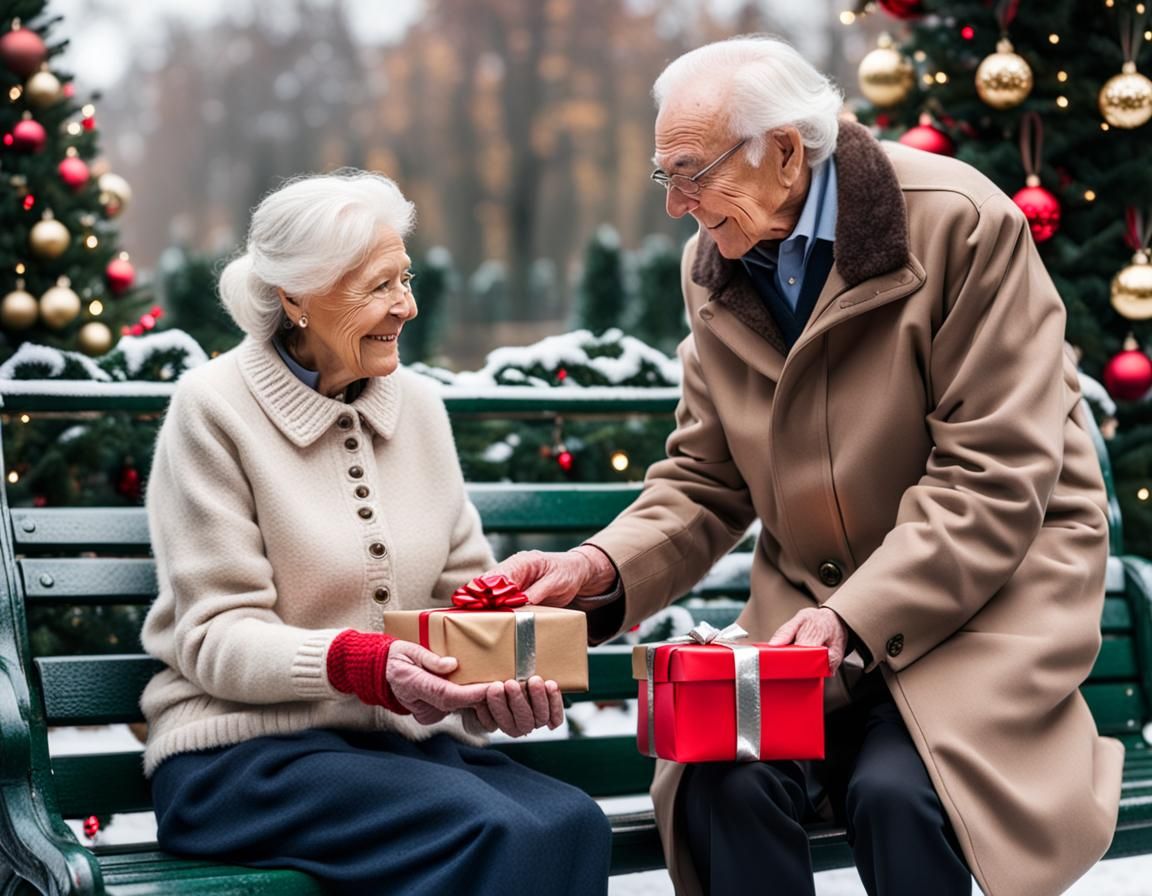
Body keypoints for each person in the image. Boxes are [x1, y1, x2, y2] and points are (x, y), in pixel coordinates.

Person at [491, 36, 1123, 896]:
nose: (677, 206)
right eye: (662, 176)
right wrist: (598, 565)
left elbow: (995, 475)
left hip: (989, 601)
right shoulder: (714, 265)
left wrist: (852, 621)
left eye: (692, 172)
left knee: (902, 792)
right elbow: (705, 478)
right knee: (722, 782)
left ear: (785, 150)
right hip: (807, 630)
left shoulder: (958, 221)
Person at [139, 169, 611, 896]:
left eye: (406, 278)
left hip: (398, 753)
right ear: (293, 295)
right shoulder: (213, 411)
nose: (407, 306)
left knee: (573, 820)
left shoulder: (418, 408)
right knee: (492, 831)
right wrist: (362, 662)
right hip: (243, 759)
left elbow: (462, 596)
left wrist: (499, 676)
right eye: (378, 286)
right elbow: (213, 637)